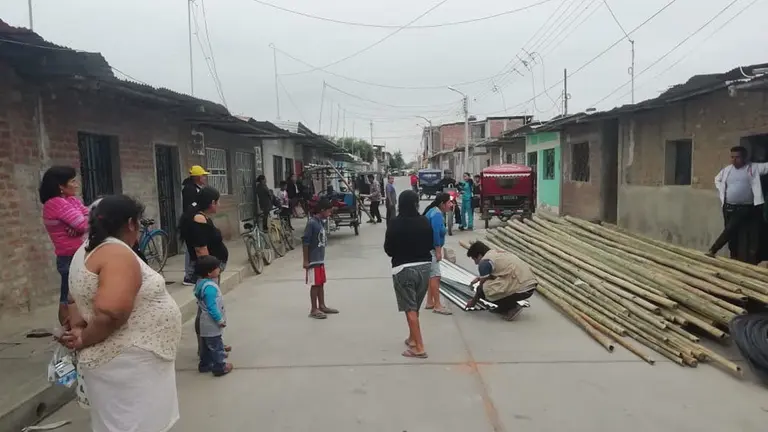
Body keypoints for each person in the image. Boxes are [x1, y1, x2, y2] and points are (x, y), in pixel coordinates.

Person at [60, 194, 182, 432]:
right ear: (130, 223)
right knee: (136, 425)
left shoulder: (84, 251)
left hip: (122, 361)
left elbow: (72, 298)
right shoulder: (117, 254)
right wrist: (83, 338)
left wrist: (77, 328)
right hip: (129, 362)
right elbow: (111, 313)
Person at [178, 187, 230, 357]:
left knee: (210, 306)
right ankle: (207, 349)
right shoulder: (198, 220)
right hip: (207, 271)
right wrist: (210, 272)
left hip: (211, 269)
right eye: (218, 201)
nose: (219, 205)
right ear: (211, 203)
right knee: (207, 308)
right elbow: (201, 249)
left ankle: (214, 342)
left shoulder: (202, 217)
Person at [384, 190, 433, 358]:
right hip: (425, 267)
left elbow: (388, 250)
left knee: (410, 308)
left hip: (404, 268)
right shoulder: (424, 221)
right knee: (415, 306)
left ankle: (419, 348)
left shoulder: (394, 223)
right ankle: (412, 338)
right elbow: (430, 243)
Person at [39, 166, 89, 325]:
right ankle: (67, 330)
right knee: (68, 297)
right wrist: (80, 226)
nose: (76, 184)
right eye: (72, 181)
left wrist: (81, 225)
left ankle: (77, 327)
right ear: (61, 186)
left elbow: (89, 216)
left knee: (79, 295)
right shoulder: (55, 203)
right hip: (69, 257)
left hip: (79, 254)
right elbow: (82, 224)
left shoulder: (71, 200)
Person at [708, 146, 768, 263]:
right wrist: (722, 191)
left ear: (744, 157)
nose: (734, 160)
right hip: (729, 207)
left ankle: (714, 250)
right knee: (731, 233)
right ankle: (733, 257)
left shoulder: (753, 168)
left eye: (737, 157)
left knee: (747, 233)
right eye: (732, 157)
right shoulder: (727, 170)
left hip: (747, 208)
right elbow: (717, 179)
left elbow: (767, 166)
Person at [465, 241, 537, 321]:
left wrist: (473, 302)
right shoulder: (495, 253)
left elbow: (480, 288)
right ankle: (503, 308)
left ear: (479, 255)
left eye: (474, 259)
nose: (475, 263)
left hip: (521, 289)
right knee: (491, 285)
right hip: (530, 286)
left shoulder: (484, 262)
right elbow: (501, 272)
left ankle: (512, 307)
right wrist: (479, 278)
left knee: (484, 290)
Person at [194, 255, 233, 376]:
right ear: (210, 272)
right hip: (211, 322)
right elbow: (212, 307)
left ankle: (205, 365)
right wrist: (220, 320)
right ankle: (220, 367)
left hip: (204, 323)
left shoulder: (201, 284)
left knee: (206, 346)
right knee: (217, 345)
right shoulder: (210, 288)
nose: (219, 269)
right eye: (217, 268)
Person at [302, 199, 338, 319]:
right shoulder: (312, 223)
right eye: (328, 211)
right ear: (322, 210)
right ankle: (314, 309)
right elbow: (305, 242)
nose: (330, 214)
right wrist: (306, 260)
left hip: (320, 258)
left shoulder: (320, 222)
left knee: (321, 283)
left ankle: (322, 305)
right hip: (313, 260)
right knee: (315, 284)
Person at [421, 193, 453, 315]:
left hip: (428, 248)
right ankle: (438, 305)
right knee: (436, 276)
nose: (451, 204)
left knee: (431, 276)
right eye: (449, 202)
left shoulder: (433, 211)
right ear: (442, 204)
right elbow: (435, 232)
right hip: (432, 249)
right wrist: (438, 250)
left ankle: (430, 302)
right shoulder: (437, 215)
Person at [181, 165, 209, 285]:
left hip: (196, 221)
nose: (204, 178)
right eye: (203, 175)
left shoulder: (197, 188)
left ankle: (194, 273)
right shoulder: (189, 189)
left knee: (195, 248)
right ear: (197, 177)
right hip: (190, 222)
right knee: (190, 249)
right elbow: (190, 207)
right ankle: (188, 276)